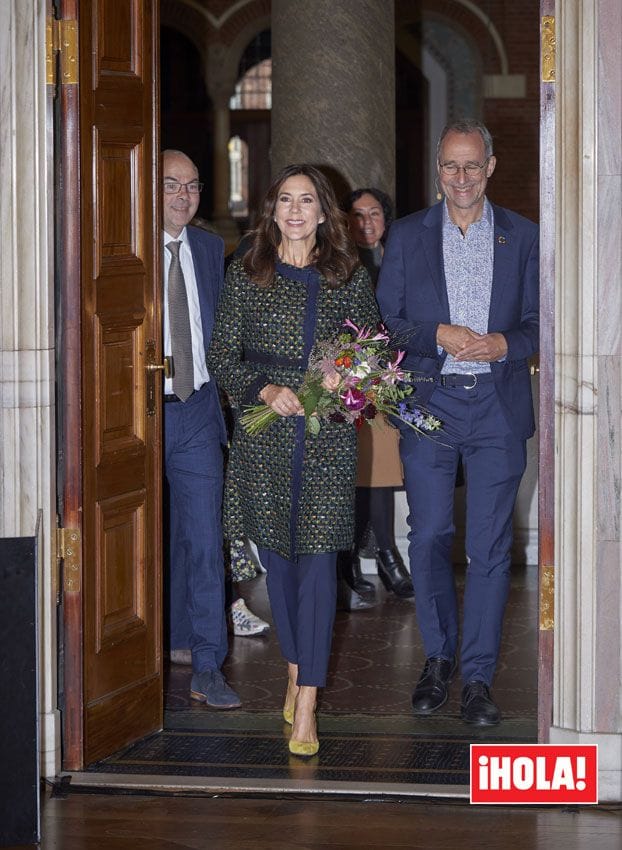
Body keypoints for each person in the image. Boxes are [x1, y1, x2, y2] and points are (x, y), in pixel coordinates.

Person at [208, 164, 380, 756]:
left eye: (308, 200)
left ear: (323, 211)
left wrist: (345, 374)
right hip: (268, 440)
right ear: (272, 210)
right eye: (286, 199)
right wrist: (262, 391)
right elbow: (222, 353)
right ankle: (293, 666)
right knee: (279, 567)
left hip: (327, 438)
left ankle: (307, 701)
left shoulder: (348, 276)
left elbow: (369, 348)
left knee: (318, 570)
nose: (297, 210)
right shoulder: (246, 272)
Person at [376, 119, 539, 726]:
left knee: (490, 549)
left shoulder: (523, 237)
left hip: (497, 410)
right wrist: (436, 334)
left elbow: (538, 321)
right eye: (451, 166)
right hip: (429, 406)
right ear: (438, 169)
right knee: (430, 536)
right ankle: (438, 659)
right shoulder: (407, 235)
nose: (462, 178)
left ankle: (476, 677)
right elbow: (386, 321)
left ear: (491, 166)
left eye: (473, 166)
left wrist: (503, 344)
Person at [161, 149, 241, 708]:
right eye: (171, 185)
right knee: (137, 536)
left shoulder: (212, 249)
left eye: (191, 186)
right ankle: (157, 642)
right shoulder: (125, 248)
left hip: (197, 409)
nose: (183, 196)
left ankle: (208, 664)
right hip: (136, 411)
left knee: (203, 537)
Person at [340, 188, 414, 603]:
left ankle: (387, 555)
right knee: (351, 472)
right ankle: (350, 560)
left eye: (374, 214)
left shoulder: (399, 259)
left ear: (387, 220)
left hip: (389, 382)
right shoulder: (339, 263)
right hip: (343, 383)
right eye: (356, 215)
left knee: (381, 470)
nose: (365, 223)